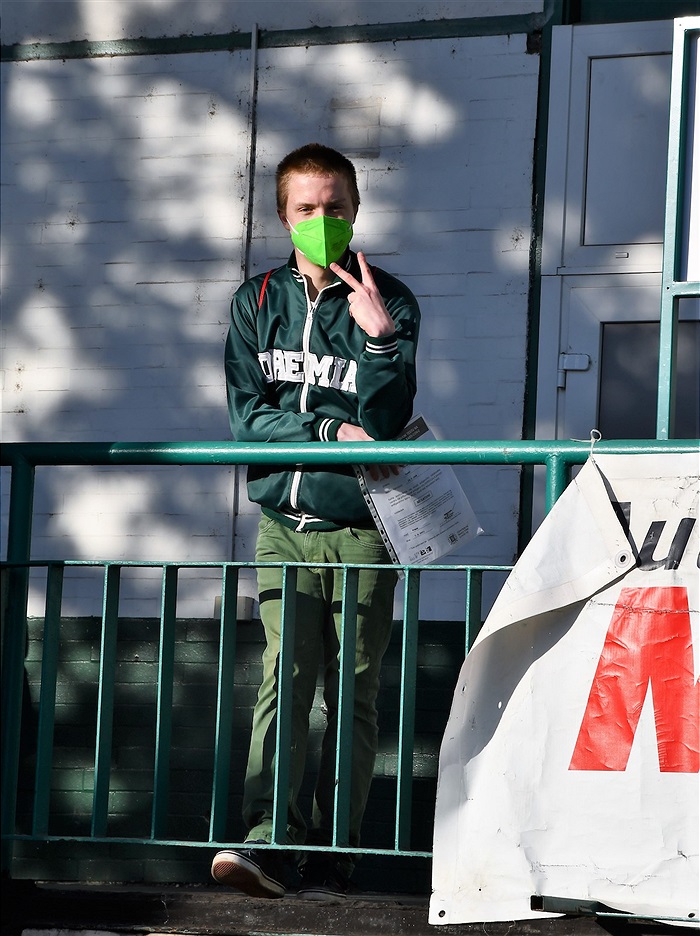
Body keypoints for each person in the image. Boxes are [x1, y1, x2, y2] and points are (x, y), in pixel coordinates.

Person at [211, 142, 420, 901]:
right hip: (282, 525)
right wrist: (332, 432)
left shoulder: (390, 300)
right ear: (283, 216)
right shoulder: (256, 301)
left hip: (362, 526)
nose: (322, 219)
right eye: (306, 208)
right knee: (284, 681)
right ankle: (271, 842)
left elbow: (386, 426)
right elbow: (248, 418)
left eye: (335, 206)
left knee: (354, 693)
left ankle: (338, 856)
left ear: (356, 209)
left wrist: (380, 339)